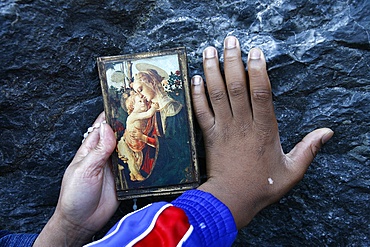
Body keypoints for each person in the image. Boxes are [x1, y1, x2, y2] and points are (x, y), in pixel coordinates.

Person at [0, 36, 333, 246]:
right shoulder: (141, 112)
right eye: (132, 94)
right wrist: (228, 197)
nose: (135, 96)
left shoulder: (160, 107)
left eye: (139, 89)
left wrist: (67, 229)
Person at [117, 92, 159, 182]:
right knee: (131, 160)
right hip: (125, 144)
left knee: (138, 160)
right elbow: (148, 114)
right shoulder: (134, 115)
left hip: (135, 144)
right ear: (132, 106)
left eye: (144, 101)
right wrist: (154, 108)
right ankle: (137, 175)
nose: (143, 103)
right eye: (140, 101)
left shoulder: (140, 116)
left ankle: (132, 175)